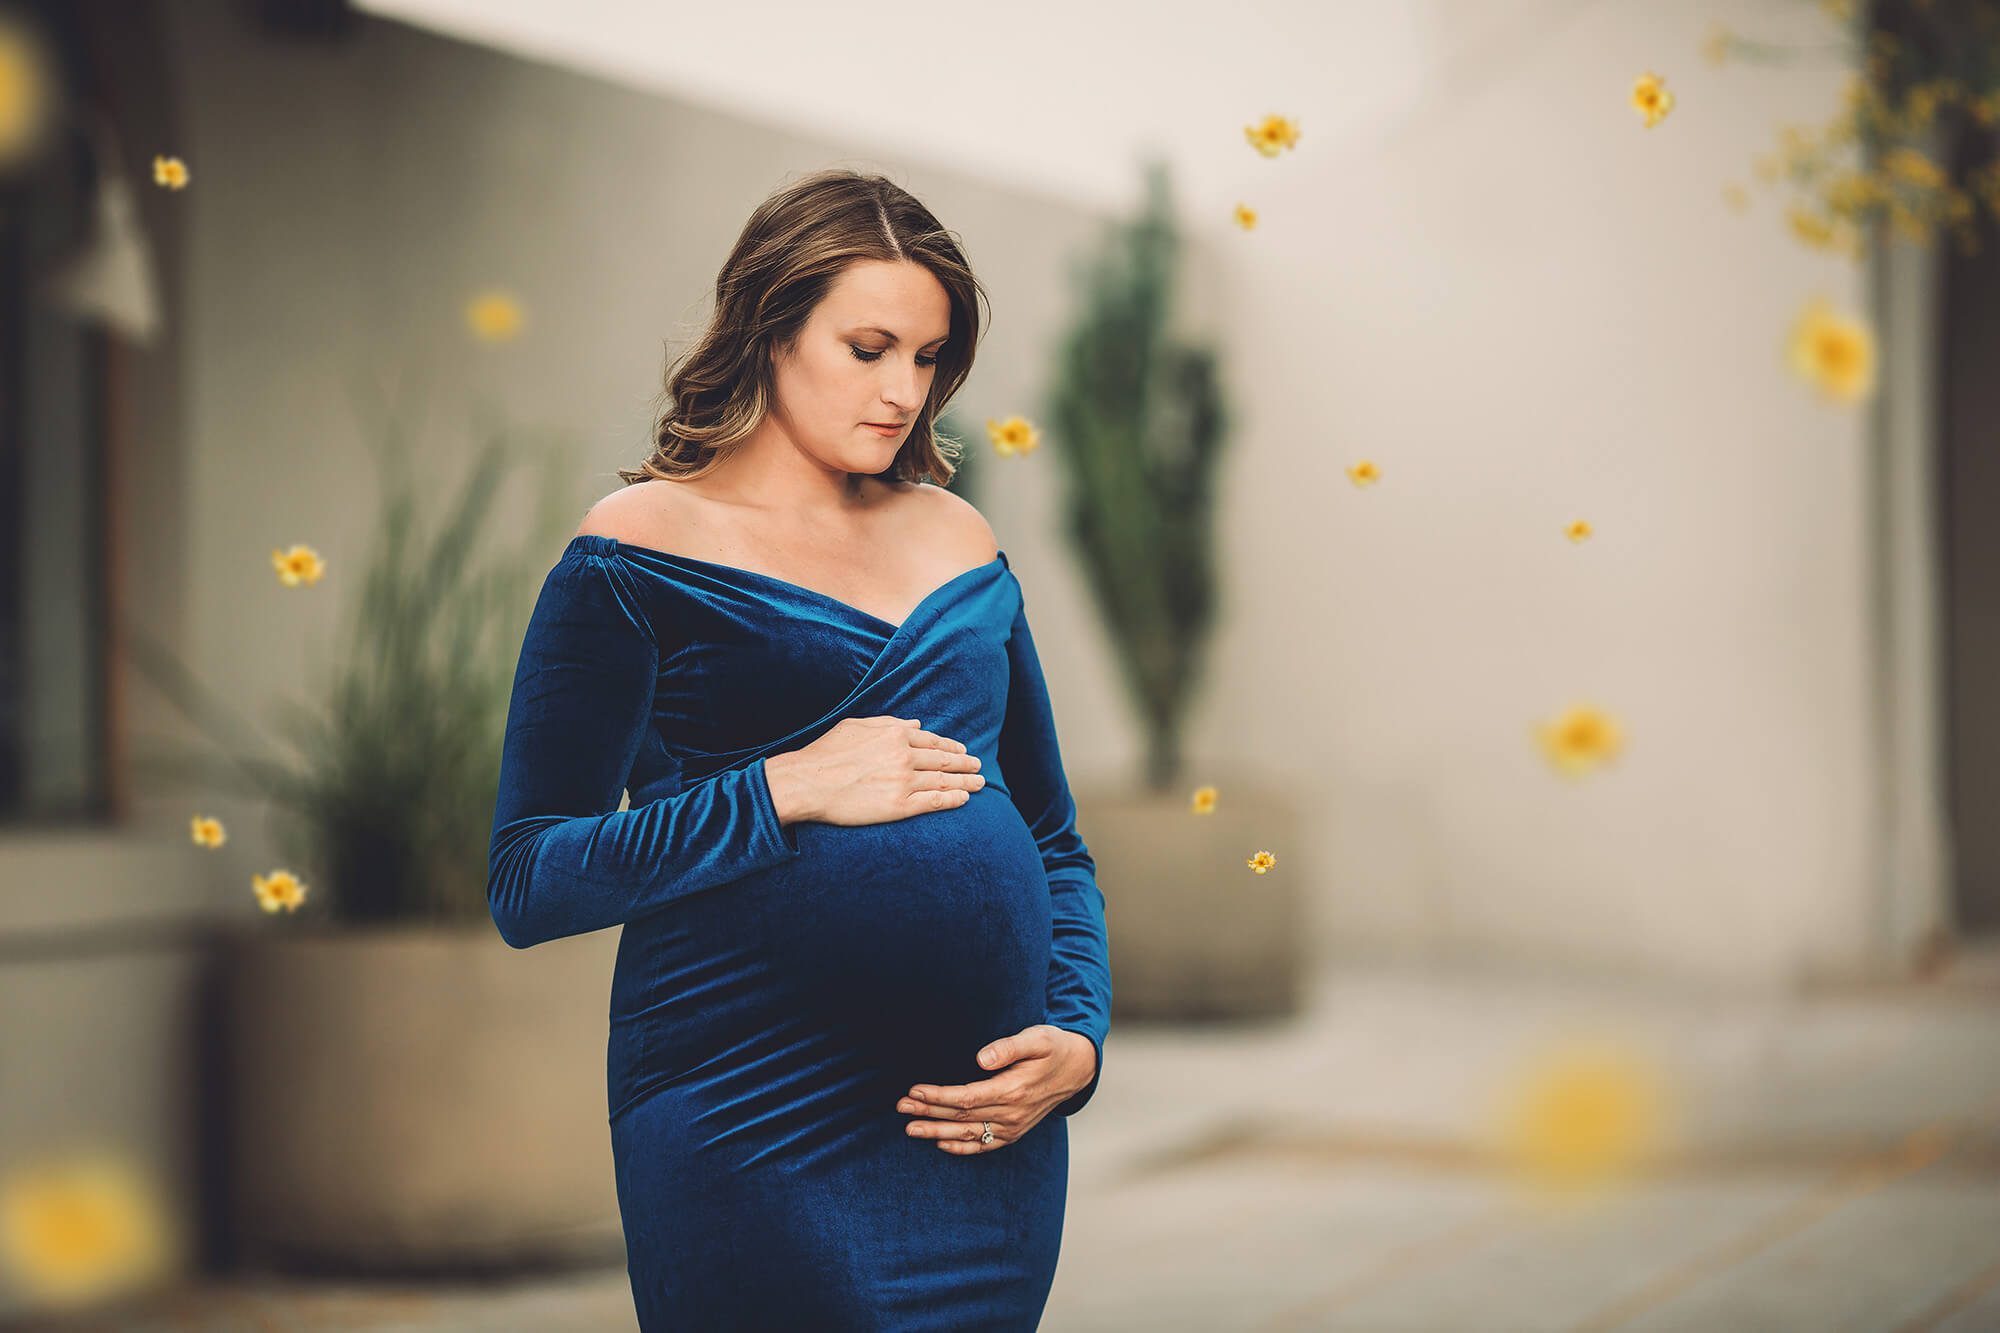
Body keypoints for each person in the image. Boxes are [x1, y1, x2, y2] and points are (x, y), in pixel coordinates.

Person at [486, 168, 1112, 1331]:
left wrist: (1077, 1033)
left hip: (982, 1141)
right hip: (744, 1117)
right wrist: (784, 788)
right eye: (868, 346)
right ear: (769, 328)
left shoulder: (955, 538)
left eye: (926, 359)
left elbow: (1053, 843)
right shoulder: (637, 548)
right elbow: (528, 875)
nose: (901, 391)